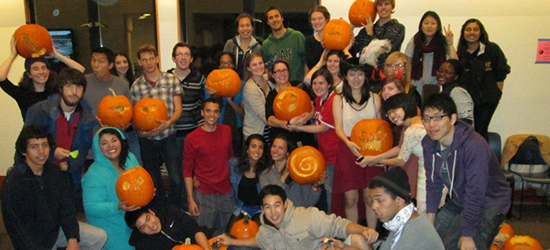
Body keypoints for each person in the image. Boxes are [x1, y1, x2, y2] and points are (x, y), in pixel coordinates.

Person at [421, 94, 511, 250]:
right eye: (427, 119)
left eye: (438, 117)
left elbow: (475, 192)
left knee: (461, 245)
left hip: (490, 201)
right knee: (434, 239)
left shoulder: (474, 145)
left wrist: (467, 234)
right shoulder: (429, 144)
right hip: (460, 198)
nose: (431, 124)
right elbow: (433, 185)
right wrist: (430, 219)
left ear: (453, 118)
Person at [1, 125, 107, 250]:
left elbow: (67, 210)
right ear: (24, 151)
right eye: (34, 147)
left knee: (99, 237)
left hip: (56, 232)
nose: (41, 151)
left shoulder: (56, 174)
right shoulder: (15, 181)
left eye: (45, 145)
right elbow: (16, 227)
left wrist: (72, 239)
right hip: (31, 241)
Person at [215, 184, 379, 250]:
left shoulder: (307, 216)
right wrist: (234, 241)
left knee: (358, 240)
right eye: (268, 207)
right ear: (262, 209)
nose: (273, 212)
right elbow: (258, 241)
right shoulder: (265, 230)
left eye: (277, 205)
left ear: (285, 204)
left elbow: (340, 225)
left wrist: (364, 229)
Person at [25, 68, 97, 192]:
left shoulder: (87, 118)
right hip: (39, 176)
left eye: (79, 87)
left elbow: (83, 150)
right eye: (69, 86)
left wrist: (69, 165)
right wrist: (52, 151)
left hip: (69, 179)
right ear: (60, 88)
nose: (74, 92)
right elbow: (24, 144)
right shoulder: (40, 111)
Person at [130, 44, 184, 209]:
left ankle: (176, 209)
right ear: (140, 62)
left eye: (151, 58)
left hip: (168, 136)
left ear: (157, 59)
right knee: (153, 179)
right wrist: (141, 131)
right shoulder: (137, 86)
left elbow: (178, 108)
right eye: (144, 60)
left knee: (175, 178)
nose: (148, 63)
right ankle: (160, 210)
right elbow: (133, 115)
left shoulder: (170, 79)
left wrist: (168, 122)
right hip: (147, 140)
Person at [332, 61, 382, 228]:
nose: (356, 78)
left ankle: (371, 237)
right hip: (347, 150)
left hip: (371, 151)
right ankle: (353, 239)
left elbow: (382, 128)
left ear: (365, 76)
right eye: (352, 74)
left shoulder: (375, 98)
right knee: (350, 198)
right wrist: (348, 143)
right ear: (345, 76)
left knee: (370, 197)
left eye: (360, 74)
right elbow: (338, 127)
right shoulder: (338, 99)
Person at [358, 93, 427, 213]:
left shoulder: (412, 129)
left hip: (426, 175)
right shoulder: (413, 124)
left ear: (406, 105)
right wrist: (374, 157)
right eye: (389, 113)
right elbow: (400, 148)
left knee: (424, 213)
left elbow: (400, 160)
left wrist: (375, 160)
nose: (392, 116)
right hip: (427, 171)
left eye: (395, 110)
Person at [82, 127, 141, 250]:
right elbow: (91, 207)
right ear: (98, 148)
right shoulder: (94, 174)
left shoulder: (130, 159)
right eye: (104, 143)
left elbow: (142, 180)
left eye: (114, 140)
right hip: (109, 225)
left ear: (121, 141)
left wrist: (148, 192)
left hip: (134, 219)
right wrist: (117, 206)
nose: (110, 146)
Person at [0, 35, 85, 120]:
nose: (41, 72)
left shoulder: (57, 90)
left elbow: (80, 70)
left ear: (48, 71)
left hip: (56, 132)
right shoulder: (22, 93)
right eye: (35, 69)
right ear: (29, 74)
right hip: (32, 132)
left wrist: (56, 55)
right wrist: (12, 55)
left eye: (44, 68)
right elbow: (1, 78)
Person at [289, 69, 339, 211]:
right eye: (315, 83)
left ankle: (332, 219)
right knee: (328, 187)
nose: (317, 86)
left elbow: (323, 128)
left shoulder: (332, 101)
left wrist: (298, 128)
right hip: (325, 150)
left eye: (321, 83)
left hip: (334, 152)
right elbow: (315, 111)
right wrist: (308, 115)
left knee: (330, 188)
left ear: (329, 84)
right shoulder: (320, 99)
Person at [184, 98, 234, 235]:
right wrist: (190, 199)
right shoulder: (192, 138)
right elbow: (187, 170)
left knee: (228, 233)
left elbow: (230, 157)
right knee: (202, 233)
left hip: (226, 191)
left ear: (219, 114)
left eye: (215, 112)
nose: (211, 115)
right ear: (202, 113)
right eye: (208, 111)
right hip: (204, 193)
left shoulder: (227, 131)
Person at [84, 47, 140, 163]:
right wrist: (92, 120)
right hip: (91, 144)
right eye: (93, 60)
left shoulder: (122, 84)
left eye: (101, 61)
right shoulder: (84, 82)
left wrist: (126, 123)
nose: (95, 65)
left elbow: (129, 110)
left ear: (110, 65)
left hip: (117, 144)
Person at [457, 19, 510, 141]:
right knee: (467, 131)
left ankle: (482, 158)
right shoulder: (461, 53)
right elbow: (455, 71)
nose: (472, 33)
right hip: (467, 101)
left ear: (481, 32)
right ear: (463, 33)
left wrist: (497, 93)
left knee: (480, 130)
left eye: (476, 29)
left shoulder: (492, 49)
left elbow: (501, 73)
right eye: (468, 29)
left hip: (487, 100)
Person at [369, 167, 444, 250]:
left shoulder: (414, 236)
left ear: (399, 200)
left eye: (379, 200)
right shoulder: (407, 221)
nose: (373, 206)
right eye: (372, 201)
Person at [259, 133, 322, 207]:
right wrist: (284, 175)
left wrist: (315, 186)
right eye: (274, 146)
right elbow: (272, 199)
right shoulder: (265, 174)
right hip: (278, 216)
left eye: (280, 148)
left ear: (287, 153)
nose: (275, 151)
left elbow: (309, 202)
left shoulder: (298, 171)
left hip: (300, 214)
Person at [168, 43, 205, 165]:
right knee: (176, 170)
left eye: (186, 54)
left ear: (191, 59)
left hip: (194, 130)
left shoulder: (199, 78)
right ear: (174, 58)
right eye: (179, 54)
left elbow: (203, 103)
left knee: (194, 167)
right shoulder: (166, 78)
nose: (183, 58)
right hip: (173, 131)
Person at [265, 60, 316, 147]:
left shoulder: (300, 86)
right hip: (284, 138)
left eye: (284, 70)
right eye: (277, 71)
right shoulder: (272, 96)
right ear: (272, 75)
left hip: (305, 133)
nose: (282, 74)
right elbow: (270, 120)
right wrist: (288, 123)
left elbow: (312, 104)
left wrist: (310, 115)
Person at [405, 11, 457, 94]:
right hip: (417, 82)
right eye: (426, 23)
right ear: (421, 26)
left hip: (437, 83)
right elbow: (408, 64)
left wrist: (450, 43)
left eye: (433, 23)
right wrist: (408, 83)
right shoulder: (414, 41)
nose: (429, 26)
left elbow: (455, 63)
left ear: (438, 26)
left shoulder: (443, 42)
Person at [207, 51, 245, 156]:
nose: (226, 66)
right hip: (217, 127)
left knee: (235, 160)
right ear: (219, 66)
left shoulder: (241, 85)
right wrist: (213, 96)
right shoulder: (212, 83)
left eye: (229, 63)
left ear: (233, 65)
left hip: (237, 129)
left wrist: (230, 101)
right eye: (223, 63)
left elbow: (243, 113)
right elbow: (207, 110)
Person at [124, 205, 213, 250]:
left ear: (151, 212)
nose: (150, 226)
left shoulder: (169, 211)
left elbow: (195, 230)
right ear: (140, 232)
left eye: (148, 219)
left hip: (205, 240)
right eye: (143, 227)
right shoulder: (143, 246)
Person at [354, 0, 405, 69]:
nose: (383, 7)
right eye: (380, 5)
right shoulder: (365, 30)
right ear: (376, 8)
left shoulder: (398, 28)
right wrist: (351, 27)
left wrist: (370, 34)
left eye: (386, 4)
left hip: (386, 75)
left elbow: (383, 55)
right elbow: (351, 50)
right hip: (364, 76)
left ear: (392, 6)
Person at [261, 6, 306, 85]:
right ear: (268, 22)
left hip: (298, 84)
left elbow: (306, 62)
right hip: (278, 86)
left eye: (276, 16)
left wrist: (305, 83)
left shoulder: (297, 36)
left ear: (282, 18)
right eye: (270, 18)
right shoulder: (266, 44)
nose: (274, 20)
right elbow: (267, 69)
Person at [230, 134, 268, 217]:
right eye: (253, 146)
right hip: (240, 207)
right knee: (232, 228)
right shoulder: (234, 164)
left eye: (260, 147)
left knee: (259, 228)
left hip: (260, 209)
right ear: (247, 149)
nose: (257, 150)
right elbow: (219, 173)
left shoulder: (266, 170)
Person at [242, 53, 274, 141]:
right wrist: (286, 122)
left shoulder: (267, 78)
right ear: (249, 68)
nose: (258, 67)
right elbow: (265, 118)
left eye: (260, 63)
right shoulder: (250, 88)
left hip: (270, 129)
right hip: (256, 134)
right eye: (254, 65)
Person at [435, 59, 474, 125]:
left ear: (456, 76)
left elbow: (466, 121)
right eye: (440, 71)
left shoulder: (458, 92)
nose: (441, 74)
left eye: (447, 72)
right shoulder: (444, 91)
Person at [223, 13, 262, 79]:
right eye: (242, 26)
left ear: (252, 28)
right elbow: (223, 65)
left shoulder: (258, 48)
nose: (245, 29)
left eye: (248, 25)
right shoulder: (230, 44)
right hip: (230, 83)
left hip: (251, 84)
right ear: (238, 29)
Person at [305, 5, 330, 70]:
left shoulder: (335, 39)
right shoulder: (309, 41)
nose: (316, 22)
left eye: (320, 18)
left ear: (326, 19)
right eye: (313, 19)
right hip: (315, 78)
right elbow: (307, 66)